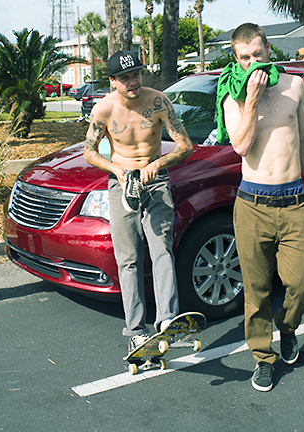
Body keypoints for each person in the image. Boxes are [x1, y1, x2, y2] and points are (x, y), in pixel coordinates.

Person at [216, 23, 304, 392]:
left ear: (268, 50)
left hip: (295, 201)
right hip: (252, 204)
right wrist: (250, 100)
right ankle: (263, 357)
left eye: (257, 54)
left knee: (302, 281)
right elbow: (241, 146)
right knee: (257, 288)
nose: (252, 62)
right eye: (244, 57)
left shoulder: (294, 86)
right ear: (237, 58)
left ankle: (288, 327)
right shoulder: (232, 95)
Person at [83, 50, 194, 353]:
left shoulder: (158, 101)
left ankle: (168, 321)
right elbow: (89, 152)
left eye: (136, 75)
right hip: (122, 185)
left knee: (162, 252)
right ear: (112, 81)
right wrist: (116, 170)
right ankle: (135, 330)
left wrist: (159, 164)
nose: (132, 82)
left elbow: (186, 146)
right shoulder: (103, 110)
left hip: (155, 181)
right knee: (128, 259)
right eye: (124, 77)